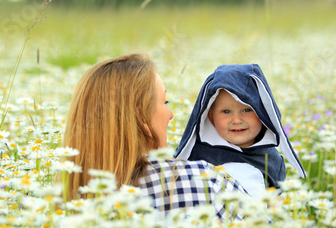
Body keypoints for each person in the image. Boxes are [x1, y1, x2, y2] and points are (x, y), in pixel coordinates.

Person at [62, 53, 247, 218]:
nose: (171, 114)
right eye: (164, 102)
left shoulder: (68, 202)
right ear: (141, 116)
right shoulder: (201, 180)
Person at [174, 64, 306, 197]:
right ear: (210, 116)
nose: (236, 120)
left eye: (247, 110)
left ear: (263, 113)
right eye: (226, 112)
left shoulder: (270, 160)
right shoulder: (196, 156)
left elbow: (274, 207)